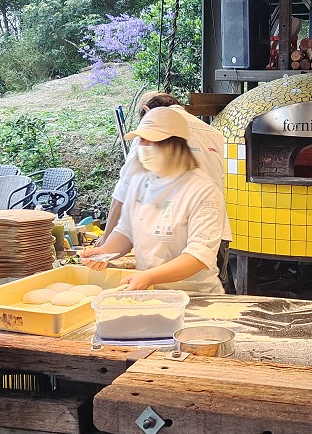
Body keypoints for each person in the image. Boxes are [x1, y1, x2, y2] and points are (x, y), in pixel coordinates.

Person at [81, 106, 226, 295]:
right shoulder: (140, 183)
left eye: (153, 141)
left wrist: (149, 276)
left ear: (176, 145)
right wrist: (106, 251)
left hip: (194, 296)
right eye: (142, 141)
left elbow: (198, 256)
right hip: (150, 293)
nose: (145, 148)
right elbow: (126, 232)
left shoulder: (203, 190)